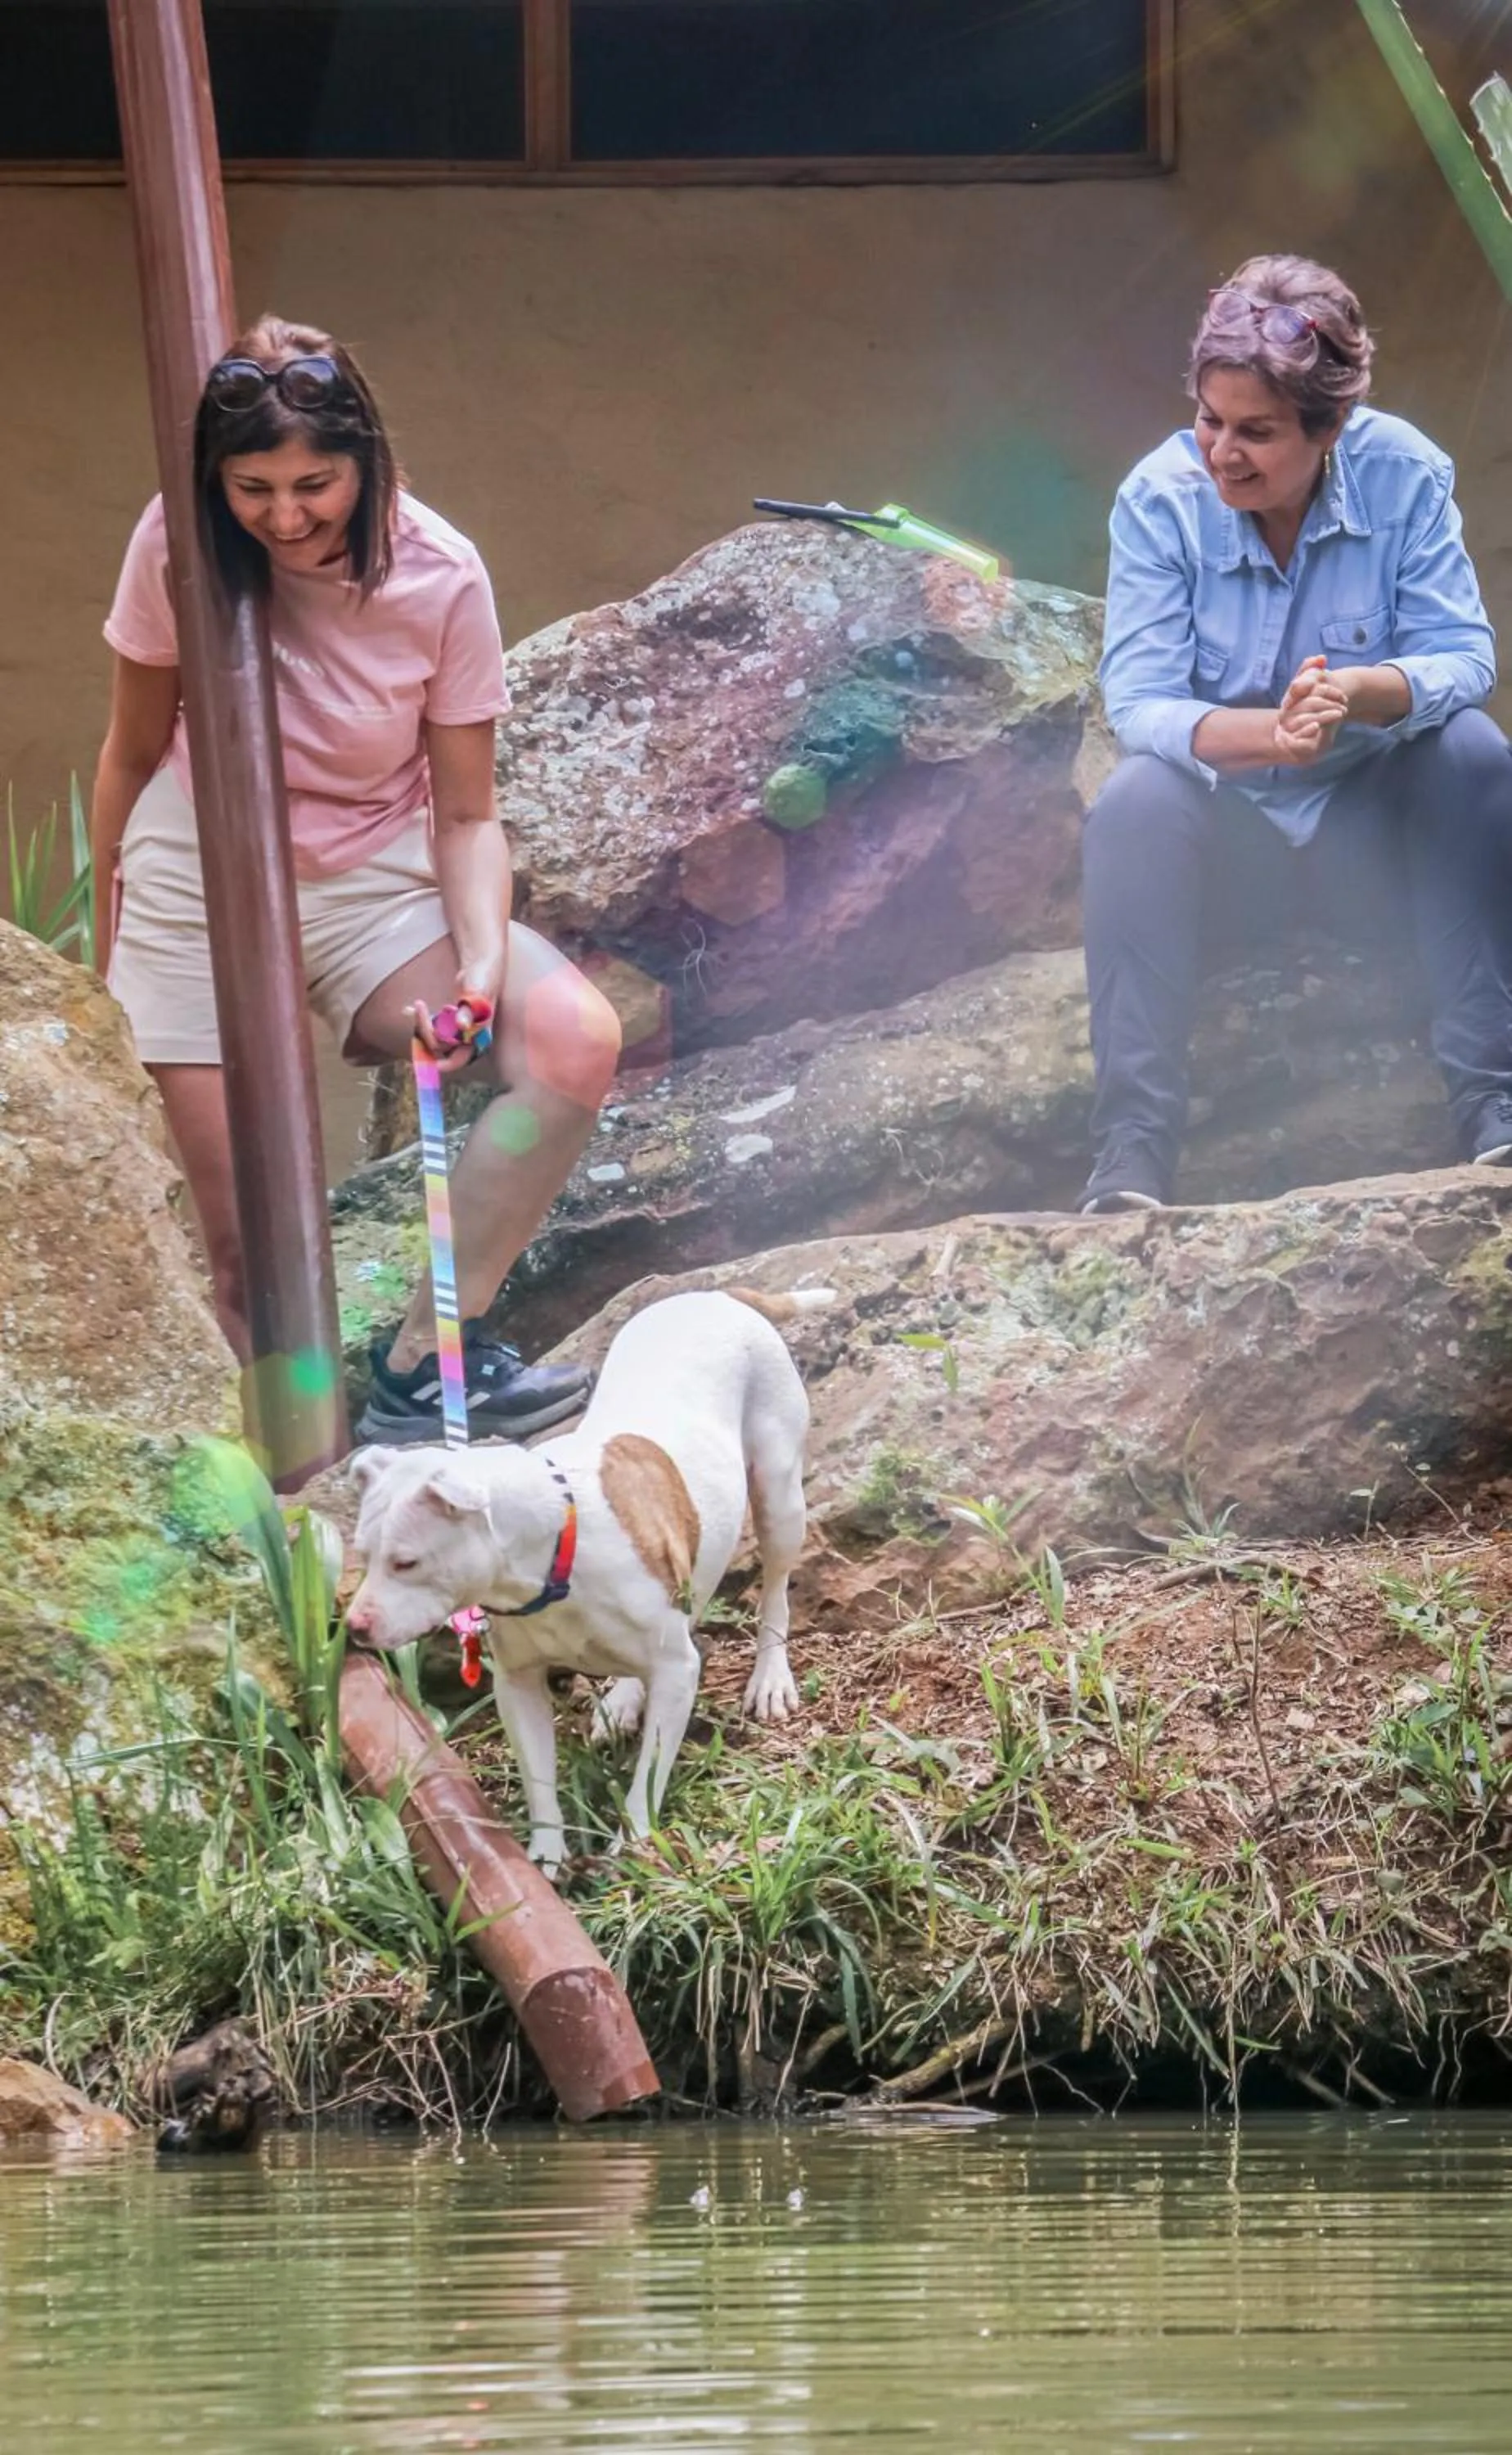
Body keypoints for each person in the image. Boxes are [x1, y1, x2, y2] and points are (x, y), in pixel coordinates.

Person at [92, 315, 622, 1439]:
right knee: (253, 1258)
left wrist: (479, 964)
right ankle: (301, 1532)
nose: (284, 518)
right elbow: (132, 752)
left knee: (573, 1040)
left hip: (374, 877)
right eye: (252, 488)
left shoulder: (440, 572)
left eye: (313, 484)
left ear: (365, 460)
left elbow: (469, 812)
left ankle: (428, 1362)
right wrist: (107, 942)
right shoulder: (173, 544)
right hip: (196, 877)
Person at [1081, 253, 1512, 1214]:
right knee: (1134, 801)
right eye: (1209, 420)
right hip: (1229, 846)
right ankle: (1131, 1159)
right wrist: (1265, 738)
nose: (1221, 453)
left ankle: (1494, 1106)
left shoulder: (1405, 475)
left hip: (1378, 843)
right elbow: (1141, 702)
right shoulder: (1159, 501)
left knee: (1475, 754)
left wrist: (1363, 691)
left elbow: (1464, 657)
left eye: (1257, 432)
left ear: (1331, 429)